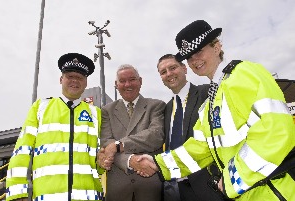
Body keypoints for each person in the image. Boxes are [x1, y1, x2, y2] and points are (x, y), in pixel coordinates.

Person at [138, 20, 295, 200]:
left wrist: (232, 178)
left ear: (217, 46)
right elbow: (200, 148)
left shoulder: (244, 73)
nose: (194, 60)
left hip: (273, 192)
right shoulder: (210, 103)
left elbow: (275, 131)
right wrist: (158, 163)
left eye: (198, 51)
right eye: (189, 57)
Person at [6, 53, 104, 201]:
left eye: (80, 78)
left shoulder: (96, 113)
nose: (74, 81)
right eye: (70, 76)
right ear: (61, 79)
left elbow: (101, 159)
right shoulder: (40, 107)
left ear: (86, 83)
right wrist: (17, 194)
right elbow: (22, 151)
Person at [157, 54, 223, 201]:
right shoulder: (167, 108)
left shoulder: (207, 93)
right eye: (163, 72)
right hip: (176, 188)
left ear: (184, 68)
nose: (169, 74)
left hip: (208, 186)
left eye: (172, 68)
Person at [98, 64, 166, 201]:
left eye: (132, 79)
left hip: (150, 187)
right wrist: (130, 161)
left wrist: (119, 145)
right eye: (122, 81)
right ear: (116, 85)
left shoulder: (156, 106)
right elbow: (107, 143)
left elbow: (155, 135)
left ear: (140, 81)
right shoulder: (106, 111)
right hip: (118, 189)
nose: (127, 84)